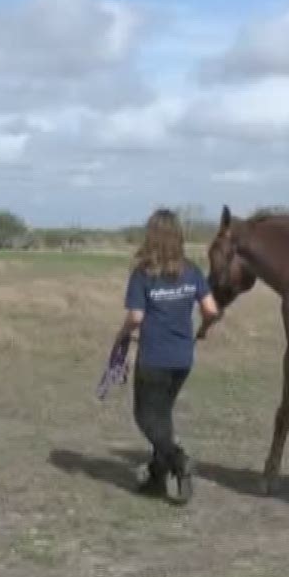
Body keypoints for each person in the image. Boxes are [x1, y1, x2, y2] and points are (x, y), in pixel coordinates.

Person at [114, 209, 221, 504]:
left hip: (154, 358)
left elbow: (136, 317)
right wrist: (204, 329)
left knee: (145, 416)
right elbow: (211, 310)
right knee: (162, 417)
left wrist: (121, 337)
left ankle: (179, 460)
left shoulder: (143, 273)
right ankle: (157, 479)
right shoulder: (192, 270)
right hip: (182, 359)